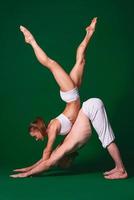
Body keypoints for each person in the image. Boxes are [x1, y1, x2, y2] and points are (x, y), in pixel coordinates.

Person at [10, 18, 128, 179]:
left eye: (35, 136)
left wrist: (27, 173)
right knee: (81, 59)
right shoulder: (57, 134)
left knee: (51, 63)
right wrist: (28, 169)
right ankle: (89, 33)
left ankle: (31, 40)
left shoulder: (51, 129)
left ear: (38, 129)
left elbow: (47, 157)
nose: (37, 139)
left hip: (71, 95)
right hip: (75, 95)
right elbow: (48, 158)